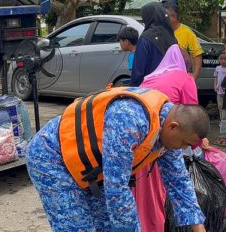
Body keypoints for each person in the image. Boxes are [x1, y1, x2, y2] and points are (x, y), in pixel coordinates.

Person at [26, 86, 208, 232]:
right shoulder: (129, 121)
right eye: (184, 143)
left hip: (90, 170)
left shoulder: (169, 133)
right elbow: (116, 187)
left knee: (107, 225)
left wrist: (198, 226)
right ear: (173, 127)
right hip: (51, 157)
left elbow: (178, 181)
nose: (182, 149)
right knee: (78, 226)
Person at [134, 45, 200, 231]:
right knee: (155, 198)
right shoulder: (186, 79)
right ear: (187, 68)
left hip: (139, 149)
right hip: (159, 143)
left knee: (138, 197)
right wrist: (198, 144)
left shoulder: (150, 78)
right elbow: (192, 119)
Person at [130, 2, 177, 86]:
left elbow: (138, 70)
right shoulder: (171, 37)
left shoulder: (146, 38)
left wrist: (134, 88)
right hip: (171, 87)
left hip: (150, 89)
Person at [161, 0, 203, 79]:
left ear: (175, 14)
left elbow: (197, 56)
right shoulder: (157, 31)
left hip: (180, 80)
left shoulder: (187, 33)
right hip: (161, 80)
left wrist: (193, 78)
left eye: (170, 9)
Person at [213, 53, 226, 145]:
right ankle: (222, 121)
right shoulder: (217, 68)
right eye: (221, 59)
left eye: (225, 59)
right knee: (220, 107)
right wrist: (215, 85)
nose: (223, 61)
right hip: (219, 91)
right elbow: (216, 78)